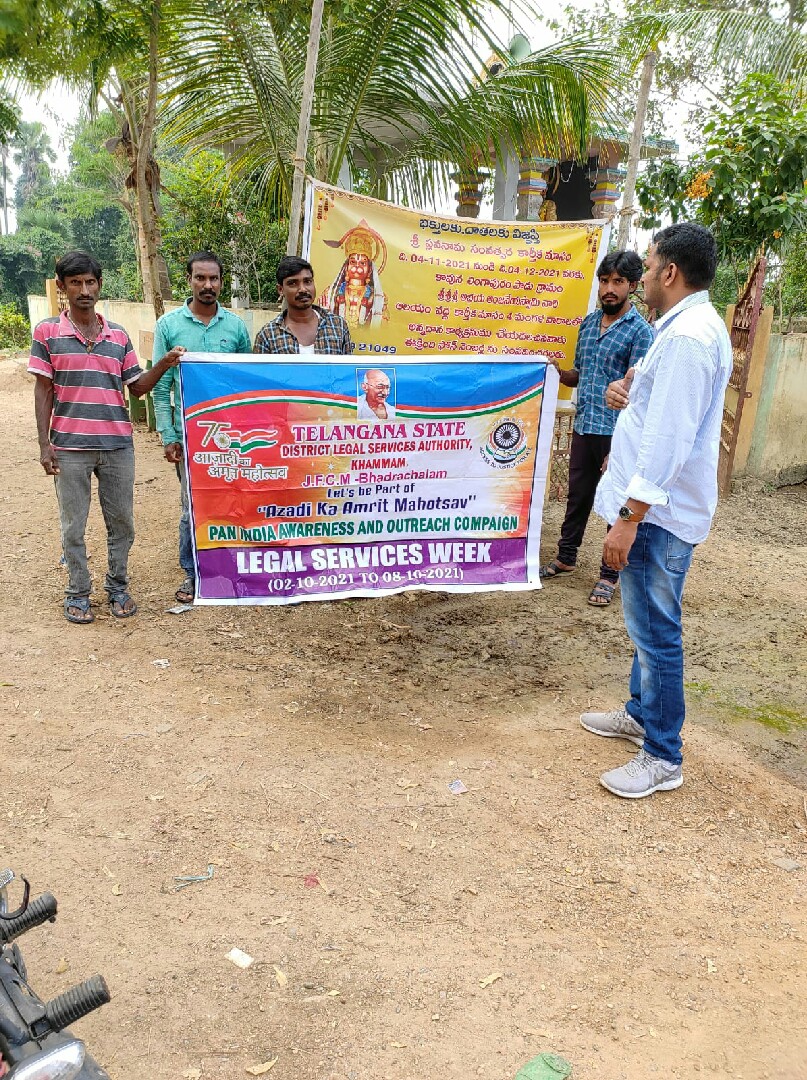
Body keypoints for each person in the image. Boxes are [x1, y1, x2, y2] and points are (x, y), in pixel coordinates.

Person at [580, 222, 732, 799]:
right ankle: (641, 714)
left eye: (645, 267)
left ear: (669, 272)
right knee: (647, 621)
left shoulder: (689, 338)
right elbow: (657, 411)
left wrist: (629, 517)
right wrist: (626, 392)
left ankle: (663, 755)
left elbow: (669, 440)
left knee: (656, 631)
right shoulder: (681, 330)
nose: (640, 276)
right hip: (654, 510)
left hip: (657, 517)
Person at [29, 250, 182, 624]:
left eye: (90, 282)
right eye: (75, 283)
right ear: (62, 286)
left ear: (99, 284)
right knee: (73, 525)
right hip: (69, 447)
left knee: (122, 523)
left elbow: (138, 388)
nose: (84, 290)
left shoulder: (118, 335)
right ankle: (78, 592)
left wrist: (164, 362)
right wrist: (44, 445)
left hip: (117, 446)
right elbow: (43, 390)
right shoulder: (47, 333)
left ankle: (118, 588)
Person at [540, 251, 653, 606]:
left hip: (617, 434)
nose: (609, 289)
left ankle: (609, 575)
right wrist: (559, 373)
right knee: (578, 497)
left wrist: (620, 447)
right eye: (604, 281)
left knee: (615, 503)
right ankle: (566, 557)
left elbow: (638, 392)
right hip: (585, 425)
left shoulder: (641, 333)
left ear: (632, 285)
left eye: (618, 282)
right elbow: (582, 374)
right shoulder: (588, 325)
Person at [152, 251, 251, 603]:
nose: (207, 285)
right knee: (192, 506)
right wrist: (169, 435)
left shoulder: (236, 327)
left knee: (234, 500)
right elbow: (161, 387)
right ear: (189, 280)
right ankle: (193, 574)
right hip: (190, 437)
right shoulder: (168, 326)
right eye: (200, 278)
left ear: (221, 282)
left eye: (213, 278)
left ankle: (233, 568)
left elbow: (247, 383)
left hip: (232, 437)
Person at [254, 256, 353, 355]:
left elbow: (348, 364)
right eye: (293, 283)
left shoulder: (338, 326)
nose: (303, 289)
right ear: (281, 289)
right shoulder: (267, 336)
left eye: (307, 282)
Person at [319, 219, 388, 330]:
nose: (357, 267)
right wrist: (324, 309)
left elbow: (382, 328)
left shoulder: (377, 297)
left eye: (362, 263)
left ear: (370, 269)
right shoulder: (331, 293)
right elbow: (321, 323)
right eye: (353, 262)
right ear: (346, 266)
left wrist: (381, 311)